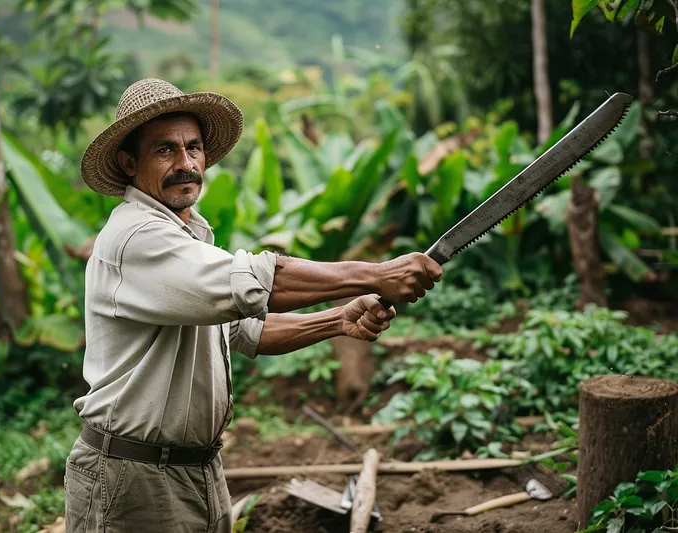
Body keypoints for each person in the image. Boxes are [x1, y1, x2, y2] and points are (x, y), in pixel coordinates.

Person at [64, 78, 443, 533]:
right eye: (164, 150)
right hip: (134, 477)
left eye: (193, 148)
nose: (185, 163)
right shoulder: (137, 236)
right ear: (129, 163)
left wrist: (338, 319)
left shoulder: (190, 237)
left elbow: (244, 331)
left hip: (196, 468)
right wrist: (377, 274)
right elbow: (259, 280)